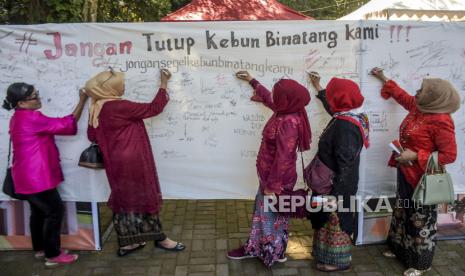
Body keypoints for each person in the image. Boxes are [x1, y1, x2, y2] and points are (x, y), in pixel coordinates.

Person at [84, 68, 185, 257]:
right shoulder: (118, 106)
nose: (123, 85)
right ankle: (160, 238)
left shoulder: (97, 106)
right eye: (120, 83)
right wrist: (164, 83)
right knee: (144, 198)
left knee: (124, 201)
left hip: (115, 163)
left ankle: (129, 243)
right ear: (110, 88)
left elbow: (91, 135)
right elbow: (154, 108)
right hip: (132, 162)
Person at [371, 67, 459, 276]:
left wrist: (415, 155)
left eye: (422, 91)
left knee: (420, 218)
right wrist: (383, 77)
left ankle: (421, 263)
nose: (417, 93)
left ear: (434, 98)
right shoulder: (419, 107)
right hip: (405, 172)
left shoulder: (442, 121)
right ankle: (399, 248)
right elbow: (403, 96)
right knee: (403, 211)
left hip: (423, 179)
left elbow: (449, 155)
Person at [227, 71, 312, 267]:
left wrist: (272, 186)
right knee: (273, 214)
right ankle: (275, 250)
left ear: (286, 99)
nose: (275, 97)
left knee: (268, 215)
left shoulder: (289, 122)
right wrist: (253, 81)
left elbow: (284, 157)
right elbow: (269, 100)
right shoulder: (287, 109)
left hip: (276, 179)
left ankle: (266, 252)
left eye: (278, 94)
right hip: (271, 177)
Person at [3, 83, 88, 267]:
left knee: (39, 212)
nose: (38, 98)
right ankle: (53, 255)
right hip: (37, 178)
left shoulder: (17, 116)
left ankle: (40, 249)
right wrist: (82, 100)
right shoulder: (32, 118)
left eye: (37, 94)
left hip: (26, 176)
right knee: (54, 212)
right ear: (21, 103)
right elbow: (67, 124)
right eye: (34, 97)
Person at [307, 72, 369, 272]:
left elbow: (346, 164)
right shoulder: (347, 116)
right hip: (329, 183)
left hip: (334, 187)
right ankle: (323, 254)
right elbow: (332, 107)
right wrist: (319, 87)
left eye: (332, 95)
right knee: (323, 219)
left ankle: (336, 261)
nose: (331, 101)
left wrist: (337, 196)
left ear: (338, 100)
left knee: (333, 220)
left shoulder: (345, 126)